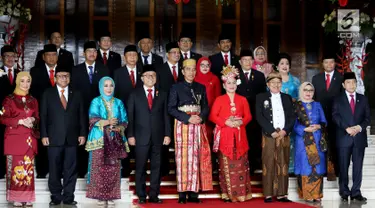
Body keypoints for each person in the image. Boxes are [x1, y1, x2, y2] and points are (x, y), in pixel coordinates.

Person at [40, 65, 87, 206]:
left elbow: (81, 115)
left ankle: (68, 197)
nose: (64, 78)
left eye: (66, 75)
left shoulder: (77, 93)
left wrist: (82, 133)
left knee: (70, 169)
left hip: (72, 138)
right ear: (55, 78)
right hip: (53, 138)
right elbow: (43, 116)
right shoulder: (47, 93)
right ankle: (55, 197)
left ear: (69, 78)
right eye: (60, 76)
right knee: (54, 169)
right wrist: (44, 135)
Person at [168, 59, 213, 204]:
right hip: (183, 125)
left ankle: (194, 192)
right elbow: (171, 108)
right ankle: (182, 192)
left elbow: (205, 106)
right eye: (188, 69)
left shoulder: (201, 87)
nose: (191, 72)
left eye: (194, 69)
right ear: (182, 71)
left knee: (196, 157)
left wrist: (200, 117)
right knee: (183, 159)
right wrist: (187, 119)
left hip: (198, 124)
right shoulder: (176, 87)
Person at [127, 65, 171, 204]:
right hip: (140, 137)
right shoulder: (134, 94)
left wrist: (167, 134)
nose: (150, 78)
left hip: (158, 137)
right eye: (147, 75)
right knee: (140, 167)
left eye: (153, 75)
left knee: (156, 167)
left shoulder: (162, 93)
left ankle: (153, 194)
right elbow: (131, 117)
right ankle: (141, 194)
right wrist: (130, 135)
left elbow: (166, 116)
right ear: (142, 78)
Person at [209, 65, 252, 202]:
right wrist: (225, 122)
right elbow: (212, 116)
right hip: (225, 136)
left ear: (237, 84)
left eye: (234, 83)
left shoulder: (243, 99)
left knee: (241, 165)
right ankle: (227, 194)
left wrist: (241, 122)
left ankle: (241, 194)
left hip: (240, 136)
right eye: (229, 83)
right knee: (225, 165)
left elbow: (248, 116)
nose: (231, 85)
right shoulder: (219, 100)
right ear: (224, 84)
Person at [85, 77, 129, 206]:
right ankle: (99, 196)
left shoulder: (119, 103)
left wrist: (118, 127)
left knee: (113, 168)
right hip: (99, 139)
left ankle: (111, 196)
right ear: (100, 87)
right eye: (105, 86)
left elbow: (124, 121)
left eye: (111, 86)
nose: (108, 88)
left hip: (114, 139)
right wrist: (108, 122)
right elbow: (93, 118)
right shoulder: (96, 101)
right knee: (99, 167)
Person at [71, 41, 109, 178]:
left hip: (100, 114)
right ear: (83, 54)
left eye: (94, 51)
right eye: (89, 51)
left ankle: (98, 171)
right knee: (82, 139)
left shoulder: (104, 69)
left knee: (99, 141)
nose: (92, 54)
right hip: (80, 111)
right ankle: (81, 171)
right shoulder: (75, 70)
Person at [0, 72, 39, 207]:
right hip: (14, 139)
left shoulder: (33, 100)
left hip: (29, 139)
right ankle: (16, 197)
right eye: (22, 81)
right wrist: (20, 121)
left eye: (28, 81)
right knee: (16, 169)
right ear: (17, 82)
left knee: (28, 169)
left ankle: (28, 197)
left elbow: (38, 117)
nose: (25, 84)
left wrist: (33, 119)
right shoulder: (8, 100)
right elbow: (2, 118)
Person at [256, 72, 295, 203]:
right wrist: (270, 130)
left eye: (278, 82)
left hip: (284, 135)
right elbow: (259, 116)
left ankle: (282, 193)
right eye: (273, 82)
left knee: (283, 162)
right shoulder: (261, 97)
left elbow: (291, 117)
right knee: (268, 162)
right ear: (268, 84)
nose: (276, 85)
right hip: (269, 135)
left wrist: (285, 130)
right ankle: (268, 194)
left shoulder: (287, 97)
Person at [332, 72, 370, 202]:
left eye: (353, 82)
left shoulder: (363, 99)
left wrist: (359, 128)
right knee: (343, 166)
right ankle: (344, 191)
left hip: (359, 138)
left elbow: (367, 118)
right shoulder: (338, 99)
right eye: (348, 82)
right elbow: (335, 116)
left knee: (358, 166)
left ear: (356, 83)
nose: (351, 85)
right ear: (343, 84)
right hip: (344, 137)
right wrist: (346, 128)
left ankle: (356, 192)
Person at [312, 50, 343, 180]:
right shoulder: (316, 78)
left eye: (331, 62)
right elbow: (313, 98)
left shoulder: (341, 78)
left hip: (336, 117)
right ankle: (322, 169)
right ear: (322, 64)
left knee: (335, 143)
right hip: (320, 117)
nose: (329, 64)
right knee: (321, 143)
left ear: (335, 63)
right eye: (326, 62)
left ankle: (336, 170)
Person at [294, 82, 327, 202]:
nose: (308, 93)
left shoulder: (317, 105)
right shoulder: (296, 105)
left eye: (311, 90)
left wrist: (319, 126)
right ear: (301, 91)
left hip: (317, 139)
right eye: (305, 90)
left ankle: (317, 195)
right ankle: (307, 194)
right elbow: (293, 125)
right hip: (302, 140)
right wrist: (304, 129)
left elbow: (324, 122)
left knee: (317, 166)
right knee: (305, 166)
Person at [30, 43, 59, 178]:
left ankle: (58, 171)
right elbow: (33, 95)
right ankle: (42, 172)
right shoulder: (35, 72)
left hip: (60, 115)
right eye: (49, 55)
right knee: (42, 143)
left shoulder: (64, 71)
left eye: (54, 55)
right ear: (43, 57)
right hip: (43, 114)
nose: (52, 58)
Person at [113, 44, 143, 178]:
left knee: (140, 142)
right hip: (123, 114)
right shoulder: (117, 73)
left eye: (134, 55)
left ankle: (139, 169)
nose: (132, 57)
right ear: (124, 57)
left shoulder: (143, 71)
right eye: (129, 55)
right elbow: (115, 94)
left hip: (142, 114)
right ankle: (125, 170)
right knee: (124, 141)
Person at [236, 49, 267, 174]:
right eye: (244, 60)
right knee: (239, 138)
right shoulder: (234, 74)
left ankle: (254, 165)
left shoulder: (259, 75)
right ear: (240, 61)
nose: (247, 62)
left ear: (253, 61)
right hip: (238, 112)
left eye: (249, 60)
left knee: (254, 138)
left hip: (254, 112)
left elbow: (263, 94)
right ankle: (240, 164)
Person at [277, 52, 300, 173]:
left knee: (292, 140)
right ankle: (279, 167)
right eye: (282, 63)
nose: (284, 66)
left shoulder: (295, 81)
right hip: (277, 115)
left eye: (287, 63)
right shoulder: (272, 79)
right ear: (277, 66)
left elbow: (300, 97)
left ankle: (291, 169)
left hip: (292, 114)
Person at [0, 45, 18, 180]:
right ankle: (1, 171)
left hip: (18, 119)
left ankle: (14, 171)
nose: (10, 59)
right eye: (7, 56)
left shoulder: (21, 74)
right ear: (2, 58)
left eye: (13, 56)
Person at [194, 57, 221, 140]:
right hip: (196, 111)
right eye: (202, 65)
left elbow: (218, 96)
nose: (205, 67)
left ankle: (209, 152)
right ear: (198, 66)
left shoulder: (215, 78)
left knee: (209, 134)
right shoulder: (194, 78)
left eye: (207, 65)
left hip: (211, 110)